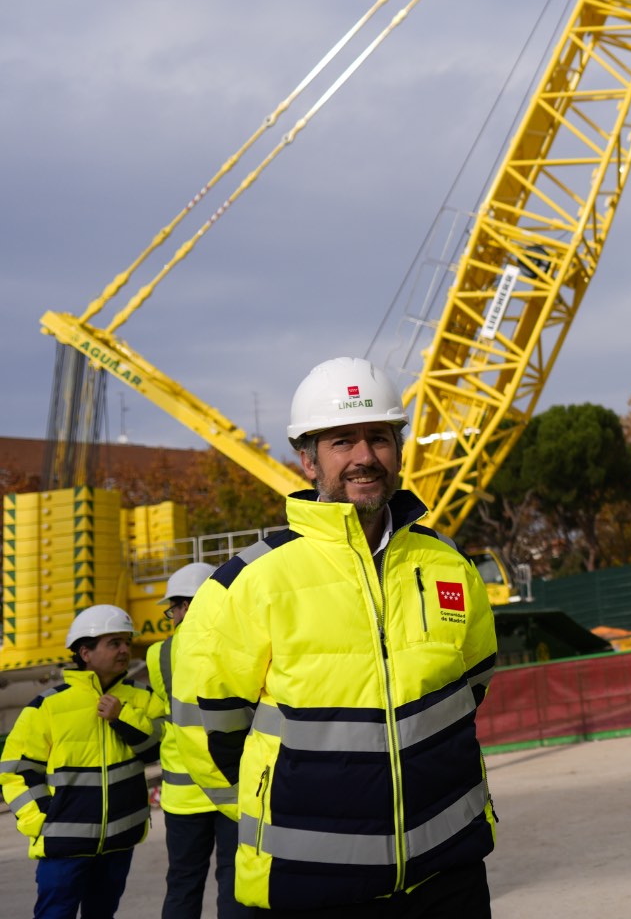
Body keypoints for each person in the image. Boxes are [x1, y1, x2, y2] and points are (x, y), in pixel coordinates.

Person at [171, 356, 498, 915]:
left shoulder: (449, 564)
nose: (364, 456)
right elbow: (205, 727)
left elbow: (474, 683)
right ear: (308, 460)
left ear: (398, 450)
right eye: (342, 441)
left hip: (449, 871)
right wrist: (274, 813)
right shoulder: (247, 583)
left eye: (379, 438)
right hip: (309, 884)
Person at [2, 604, 161, 919]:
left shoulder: (143, 698)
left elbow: (156, 751)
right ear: (85, 653)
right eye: (114, 643)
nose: (124, 650)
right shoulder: (48, 706)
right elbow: (16, 770)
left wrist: (122, 717)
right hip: (63, 846)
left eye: (126, 642)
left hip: (119, 842)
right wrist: (42, 822)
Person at [148, 560, 247, 918]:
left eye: (173, 608)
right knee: (235, 881)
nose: (172, 616)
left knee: (184, 882)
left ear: (187, 605)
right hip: (233, 785)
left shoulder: (158, 654)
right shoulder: (238, 644)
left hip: (184, 795)